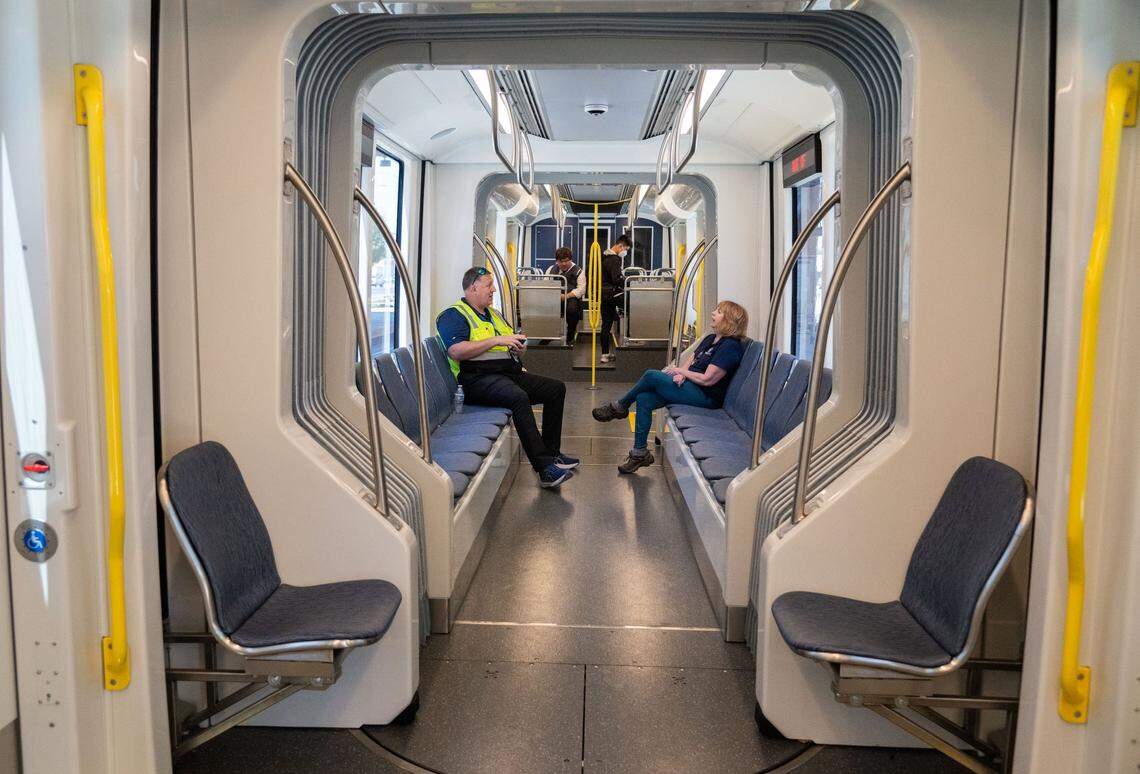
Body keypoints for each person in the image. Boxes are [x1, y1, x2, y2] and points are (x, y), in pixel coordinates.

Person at [436, 266, 579, 488]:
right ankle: (544, 469)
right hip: (475, 381)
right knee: (518, 397)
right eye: (489, 285)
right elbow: (456, 351)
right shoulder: (453, 315)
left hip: (507, 373)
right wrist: (496, 341)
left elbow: (510, 341)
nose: (493, 290)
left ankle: (552, 454)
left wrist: (519, 348)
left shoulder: (494, 314)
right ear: (473, 288)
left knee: (556, 389)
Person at [592, 300, 749, 474]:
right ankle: (639, 453)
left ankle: (620, 406)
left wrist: (679, 371)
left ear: (729, 320)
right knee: (644, 399)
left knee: (651, 375)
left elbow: (707, 380)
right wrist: (682, 372)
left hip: (706, 396)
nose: (713, 313)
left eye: (719, 312)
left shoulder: (730, 347)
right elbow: (692, 361)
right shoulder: (711, 339)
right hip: (690, 386)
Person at [598, 233, 631, 362]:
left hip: (604, 294)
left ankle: (604, 354)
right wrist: (628, 282)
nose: (625, 252)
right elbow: (616, 279)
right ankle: (631, 337)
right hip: (613, 293)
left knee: (606, 324)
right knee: (633, 307)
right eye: (626, 249)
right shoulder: (614, 259)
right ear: (620, 246)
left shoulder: (604, 256)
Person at [546, 246, 585, 344]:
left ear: (570, 260)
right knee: (545, 307)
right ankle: (547, 334)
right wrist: (554, 295)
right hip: (554, 298)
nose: (563, 264)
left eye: (566, 261)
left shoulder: (579, 271)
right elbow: (545, 284)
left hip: (571, 298)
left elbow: (581, 290)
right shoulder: (551, 270)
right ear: (557, 261)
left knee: (572, 309)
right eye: (560, 261)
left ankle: (570, 335)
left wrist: (566, 296)